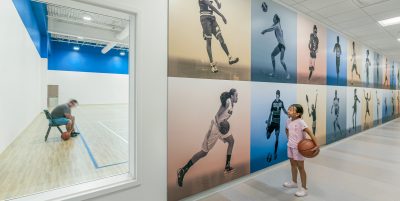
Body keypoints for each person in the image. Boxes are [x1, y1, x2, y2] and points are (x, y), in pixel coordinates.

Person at [177, 89, 238, 187]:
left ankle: (227, 166)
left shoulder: (232, 104)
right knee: (204, 152)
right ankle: (183, 170)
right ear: (231, 96)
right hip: (215, 128)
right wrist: (219, 126)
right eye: (236, 95)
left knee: (231, 141)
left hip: (222, 129)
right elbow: (217, 115)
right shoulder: (227, 102)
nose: (237, 97)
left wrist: (223, 127)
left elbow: (224, 118)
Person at [283, 104, 319, 197]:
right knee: (292, 164)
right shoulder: (288, 120)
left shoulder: (301, 122)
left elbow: (310, 133)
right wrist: (289, 138)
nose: (289, 110)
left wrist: (317, 145)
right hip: (290, 146)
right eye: (289, 108)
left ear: (298, 114)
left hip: (298, 148)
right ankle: (294, 182)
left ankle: (304, 188)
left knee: (301, 167)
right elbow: (286, 129)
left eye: (292, 109)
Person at [198, 0, 239, 73]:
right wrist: (221, 15)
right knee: (209, 42)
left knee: (221, 39)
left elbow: (213, 3)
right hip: (205, 19)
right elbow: (210, 6)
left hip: (212, 19)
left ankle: (230, 58)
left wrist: (217, 3)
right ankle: (212, 65)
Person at [261, 14, 290, 80]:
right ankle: (274, 72)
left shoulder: (277, 26)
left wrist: (264, 31)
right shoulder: (277, 25)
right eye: (273, 18)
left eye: (274, 18)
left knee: (281, 61)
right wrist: (266, 30)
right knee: (272, 55)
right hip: (280, 44)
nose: (273, 19)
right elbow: (271, 27)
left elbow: (271, 29)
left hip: (282, 46)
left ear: (277, 19)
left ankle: (288, 74)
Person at [266, 90, 288, 160]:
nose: (278, 95)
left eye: (279, 94)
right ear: (275, 94)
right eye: (277, 94)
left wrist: (288, 114)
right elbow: (270, 113)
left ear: (280, 95)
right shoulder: (273, 103)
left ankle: (275, 152)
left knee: (277, 138)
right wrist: (268, 123)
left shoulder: (281, 102)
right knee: (267, 136)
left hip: (277, 124)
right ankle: (267, 126)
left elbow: (284, 110)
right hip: (272, 123)